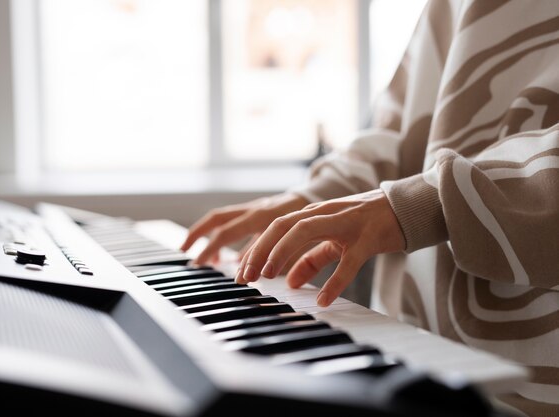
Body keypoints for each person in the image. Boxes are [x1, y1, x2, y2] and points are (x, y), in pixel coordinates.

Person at [180, 1, 559, 416]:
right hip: (415, 350)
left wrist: (421, 203)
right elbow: (399, 126)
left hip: (532, 382)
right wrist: (317, 195)